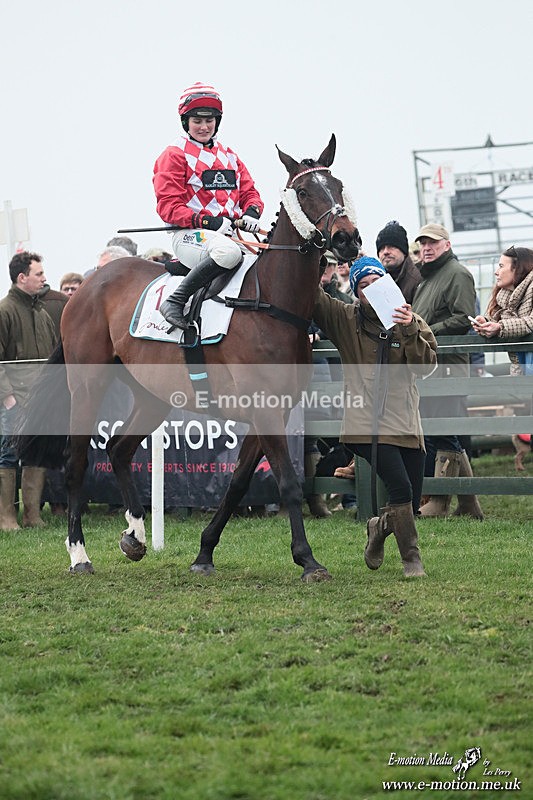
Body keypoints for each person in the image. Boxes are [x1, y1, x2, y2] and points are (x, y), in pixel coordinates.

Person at [312, 256, 437, 577]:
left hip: (405, 419)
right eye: (362, 285)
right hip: (363, 421)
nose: (370, 289)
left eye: (375, 282)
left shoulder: (411, 319)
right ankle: (412, 559)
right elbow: (313, 296)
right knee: (400, 489)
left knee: (408, 502)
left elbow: (426, 368)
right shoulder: (344, 318)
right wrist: (311, 251)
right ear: (355, 292)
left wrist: (408, 328)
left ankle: (379, 528)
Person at [153, 81, 264, 329]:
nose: (204, 127)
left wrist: (252, 212)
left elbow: (249, 191)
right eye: (197, 121)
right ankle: (174, 301)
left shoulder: (230, 155)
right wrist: (208, 221)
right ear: (185, 122)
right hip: (189, 235)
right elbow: (168, 206)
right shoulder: (173, 154)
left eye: (210, 120)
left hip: (230, 235)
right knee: (229, 253)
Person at [411, 223, 483, 519]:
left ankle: (439, 501)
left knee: (444, 433)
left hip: (449, 367)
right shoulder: (426, 279)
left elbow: (463, 318)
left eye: (433, 243)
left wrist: (425, 331)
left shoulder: (457, 274)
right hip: (430, 368)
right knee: (440, 432)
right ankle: (469, 504)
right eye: (423, 244)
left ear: (447, 245)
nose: (427, 248)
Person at [0, 252, 57, 529]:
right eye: (38, 274)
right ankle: (6, 518)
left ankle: (32, 516)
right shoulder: (4, 311)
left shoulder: (43, 314)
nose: (44, 278)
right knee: (8, 456)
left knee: (35, 455)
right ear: (22, 278)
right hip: (13, 401)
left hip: (40, 401)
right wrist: (8, 398)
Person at [375, 220, 421, 304]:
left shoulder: (418, 279)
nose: (385, 252)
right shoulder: (375, 280)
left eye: (391, 247)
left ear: (404, 251)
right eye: (381, 248)